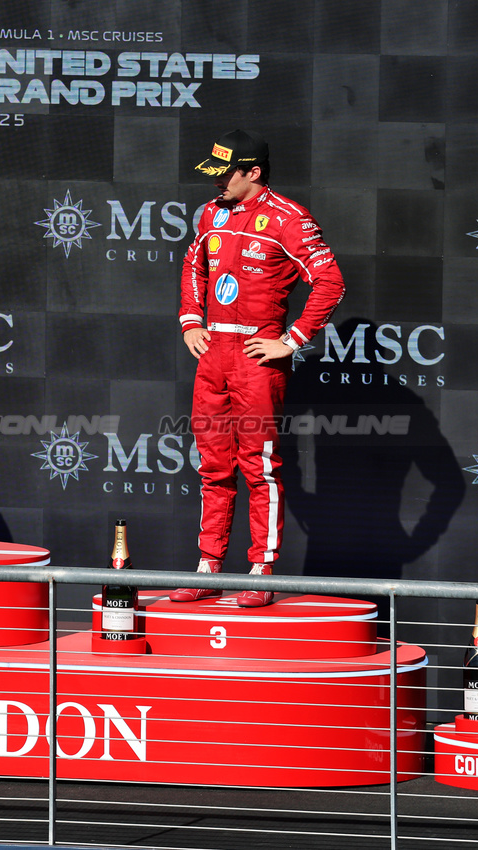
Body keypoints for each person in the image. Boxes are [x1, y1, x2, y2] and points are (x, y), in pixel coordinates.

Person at [175, 129, 345, 607]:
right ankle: (209, 567)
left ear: (253, 172)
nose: (216, 184)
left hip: (255, 360)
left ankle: (260, 570)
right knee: (212, 466)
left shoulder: (289, 219)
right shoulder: (212, 212)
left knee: (259, 467)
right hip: (213, 357)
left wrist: (291, 341)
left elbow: (330, 282)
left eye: (224, 174)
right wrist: (191, 321)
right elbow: (193, 267)